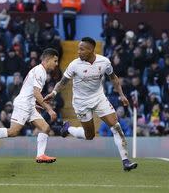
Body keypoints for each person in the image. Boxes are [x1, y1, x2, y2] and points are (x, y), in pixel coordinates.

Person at [45, 37, 138, 171]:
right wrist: (53, 93)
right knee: (90, 136)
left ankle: (126, 161)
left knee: (116, 126)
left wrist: (122, 95)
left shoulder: (104, 62)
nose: (78, 52)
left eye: (82, 49)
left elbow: (113, 77)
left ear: (91, 50)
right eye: (78, 49)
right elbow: (63, 81)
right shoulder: (74, 64)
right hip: (81, 102)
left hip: (99, 98)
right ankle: (68, 129)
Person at [0, 48, 59, 163]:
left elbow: (31, 91)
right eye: (55, 61)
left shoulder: (40, 71)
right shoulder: (40, 71)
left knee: (45, 128)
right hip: (23, 104)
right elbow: (36, 92)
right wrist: (49, 109)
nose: (56, 64)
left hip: (29, 104)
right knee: (13, 132)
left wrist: (35, 104)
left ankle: (40, 155)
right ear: (47, 59)